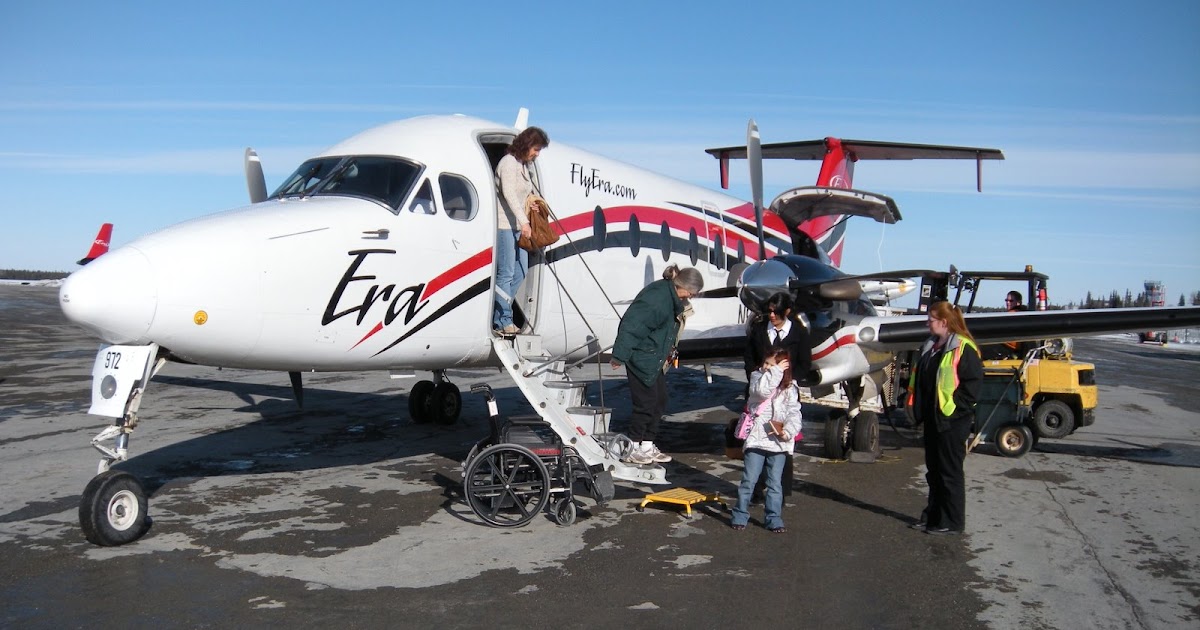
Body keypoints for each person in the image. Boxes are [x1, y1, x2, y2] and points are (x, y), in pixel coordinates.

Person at [609, 264, 704, 465]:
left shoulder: (671, 297)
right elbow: (632, 326)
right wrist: (620, 356)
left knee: (660, 400)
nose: (691, 297)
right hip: (641, 357)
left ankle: (646, 445)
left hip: (655, 357)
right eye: (692, 293)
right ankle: (633, 446)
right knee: (645, 403)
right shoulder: (657, 300)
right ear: (684, 287)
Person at [906, 301, 983, 535]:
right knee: (934, 471)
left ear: (944, 322)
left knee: (950, 472)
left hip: (952, 420)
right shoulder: (930, 346)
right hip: (932, 419)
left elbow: (973, 386)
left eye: (930, 318)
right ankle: (933, 516)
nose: (927, 322)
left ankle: (952, 521)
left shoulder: (963, 347)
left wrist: (956, 410)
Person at [742, 291, 812, 496]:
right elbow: (748, 357)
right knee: (755, 442)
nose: (771, 315)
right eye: (769, 311)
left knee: (783, 440)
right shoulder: (759, 330)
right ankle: (755, 489)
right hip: (761, 396)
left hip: (785, 394)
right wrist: (756, 378)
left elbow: (805, 364)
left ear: (787, 311)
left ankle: (781, 490)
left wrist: (787, 382)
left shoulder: (799, 333)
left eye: (776, 312)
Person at [731, 348, 803, 533]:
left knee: (775, 483)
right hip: (757, 439)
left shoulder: (790, 387)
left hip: (778, 442)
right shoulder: (757, 378)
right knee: (749, 479)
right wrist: (775, 372)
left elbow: (794, 412)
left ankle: (774, 518)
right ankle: (739, 514)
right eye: (767, 363)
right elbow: (761, 393)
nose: (767, 367)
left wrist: (787, 432)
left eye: (772, 364)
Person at [494, 126, 549, 335]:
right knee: (506, 273)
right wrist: (525, 222)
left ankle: (500, 311)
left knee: (521, 271)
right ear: (526, 145)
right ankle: (503, 320)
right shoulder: (508, 163)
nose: (537, 154)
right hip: (505, 225)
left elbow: (521, 195)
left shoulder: (523, 166)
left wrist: (531, 204)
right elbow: (508, 193)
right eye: (536, 149)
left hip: (517, 225)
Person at [982, 290, 1030, 360]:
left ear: (1018, 303)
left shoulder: (1013, 314)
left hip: (1008, 348)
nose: (1008, 303)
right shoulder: (1021, 314)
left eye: (1011, 301)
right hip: (1007, 345)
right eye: (1006, 300)